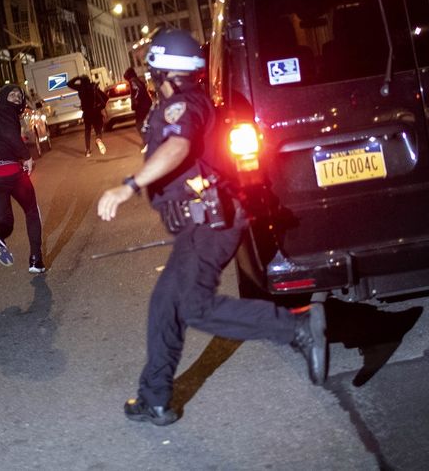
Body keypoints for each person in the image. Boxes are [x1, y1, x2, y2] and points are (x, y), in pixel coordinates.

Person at [97, 29, 327, 426]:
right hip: (196, 226)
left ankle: (297, 326)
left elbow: (178, 147)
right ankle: (154, 398)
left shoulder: (185, 106)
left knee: (193, 307)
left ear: (164, 73)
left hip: (210, 224)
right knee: (164, 306)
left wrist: (128, 187)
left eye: (153, 71)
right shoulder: (179, 103)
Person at [0, 84, 45, 274]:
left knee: (5, 222)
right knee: (32, 211)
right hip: (10, 172)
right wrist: (27, 157)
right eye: (12, 95)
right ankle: (35, 260)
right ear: (3, 99)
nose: (17, 97)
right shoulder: (5, 113)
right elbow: (10, 135)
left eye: (19, 95)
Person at [68, 74, 108, 157]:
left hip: (86, 113)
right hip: (96, 111)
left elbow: (69, 84)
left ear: (81, 81)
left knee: (87, 131)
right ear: (89, 80)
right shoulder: (93, 87)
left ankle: (88, 151)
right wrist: (99, 106)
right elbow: (105, 98)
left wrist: (77, 77)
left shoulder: (80, 88)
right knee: (98, 129)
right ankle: (98, 139)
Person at [123, 67, 153, 144]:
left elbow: (138, 90)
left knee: (139, 125)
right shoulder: (137, 79)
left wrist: (135, 100)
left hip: (141, 106)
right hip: (146, 104)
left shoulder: (133, 81)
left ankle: (147, 142)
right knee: (147, 123)